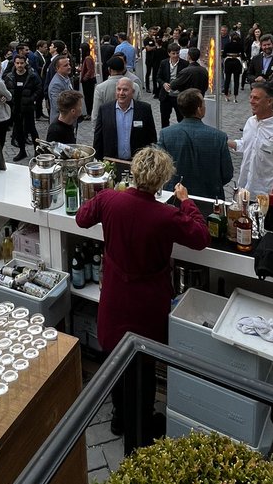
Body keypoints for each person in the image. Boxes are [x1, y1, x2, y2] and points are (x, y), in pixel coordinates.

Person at [75, 146, 209, 436]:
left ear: (134, 173)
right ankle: (141, 424)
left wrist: (105, 194)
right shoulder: (165, 215)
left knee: (116, 358)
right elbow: (200, 237)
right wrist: (186, 202)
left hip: (114, 297)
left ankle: (119, 417)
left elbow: (82, 219)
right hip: (147, 302)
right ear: (162, 181)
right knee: (143, 364)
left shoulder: (110, 199)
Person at [158, 89, 233, 200]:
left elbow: (159, 169)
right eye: (203, 103)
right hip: (210, 198)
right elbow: (227, 174)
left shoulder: (166, 134)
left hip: (175, 197)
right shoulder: (219, 137)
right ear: (199, 110)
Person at [227, 82, 273, 196]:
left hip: (267, 195)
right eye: (251, 97)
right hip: (244, 191)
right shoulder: (250, 122)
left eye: (256, 98)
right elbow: (246, 145)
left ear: (269, 101)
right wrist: (224, 141)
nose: (251, 101)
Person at [94, 77, 157, 162]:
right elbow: (98, 138)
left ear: (133, 92)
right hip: (111, 162)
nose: (121, 93)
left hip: (137, 163)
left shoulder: (144, 109)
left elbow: (152, 137)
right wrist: (98, 161)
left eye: (125, 90)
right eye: (119, 89)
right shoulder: (104, 110)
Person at [4, 53, 41, 160]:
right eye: (17, 63)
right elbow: (6, 90)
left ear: (25, 63)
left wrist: (32, 99)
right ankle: (22, 151)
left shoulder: (32, 76)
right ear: (14, 64)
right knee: (18, 130)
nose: (19, 65)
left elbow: (38, 89)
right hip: (16, 107)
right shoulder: (10, 76)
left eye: (22, 63)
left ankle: (37, 151)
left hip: (28, 107)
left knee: (32, 130)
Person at [93, 54, 143, 119]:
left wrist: (95, 128)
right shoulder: (134, 86)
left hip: (108, 123)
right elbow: (140, 108)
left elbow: (96, 114)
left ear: (109, 70)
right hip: (130, 122)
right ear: (123, 69)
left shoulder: (100, 88)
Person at [157, 43, 186, 128]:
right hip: (166, 96)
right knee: (164, 118)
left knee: (181, 119)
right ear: (169, 53)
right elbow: (158, 77)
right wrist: (164, 84)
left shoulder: (184, 64)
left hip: (179, 96)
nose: (176, 55)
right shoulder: (164, 63)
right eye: (173, 53)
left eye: (177, 53)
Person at [48, 53, 74, 123]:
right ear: (57, 68)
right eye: (65, 65)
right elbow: (57, 106)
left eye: (69, 64)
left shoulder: (66, 77)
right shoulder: (56, 84)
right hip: (60, 122)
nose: (69, 67)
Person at [221, 28, 243, 103]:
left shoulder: (227, 45)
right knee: (236, 80)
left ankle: (227, 96)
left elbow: (224, 55)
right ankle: (235, 97)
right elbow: (243, 56)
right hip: (237, 62)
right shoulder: (240, 45)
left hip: (228, 62)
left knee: (227, 79)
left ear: (231, 38)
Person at [79, 41, 97, 119]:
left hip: (88, 81)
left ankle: (89, 113)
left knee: (88, 97)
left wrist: (84, 78)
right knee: (88, 97)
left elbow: (90, 70)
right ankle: (89, 113)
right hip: (89, 80)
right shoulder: (88, 58)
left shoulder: (87, 58)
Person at [143, 26, 162, 94]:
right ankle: (147, 87)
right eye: (153, 32)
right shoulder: (146, 40)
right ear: (149, 32)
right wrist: (155, 47)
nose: (154, 33)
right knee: (148, 73)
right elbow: (148, 49)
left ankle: (155, 88)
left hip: (156, 59)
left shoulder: (157, 39)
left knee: (155, 74)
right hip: (149, 59)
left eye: (155, 32)